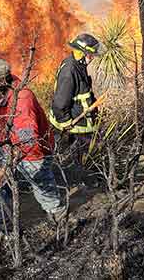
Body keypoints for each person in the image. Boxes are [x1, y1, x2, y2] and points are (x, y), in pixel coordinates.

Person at [0, 57, 67, 238]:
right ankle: (7, 229)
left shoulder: (22, 98)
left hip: (33, 153)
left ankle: (59, 221)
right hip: (9, 146)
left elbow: (27, 140)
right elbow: (1, 123)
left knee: (43, 190)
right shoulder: (0, 92)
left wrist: (5, 168)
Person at [50, 33, 101, 183]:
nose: (92, 58)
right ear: (82, 53)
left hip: (79, 120)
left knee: (77, 155)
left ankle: (79, 178)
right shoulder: (70, 71)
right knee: (80, 156)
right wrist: (66, 121)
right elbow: (60, 102)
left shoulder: (77, 64)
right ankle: (84, 182)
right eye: (90, 55)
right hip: (76, 124)